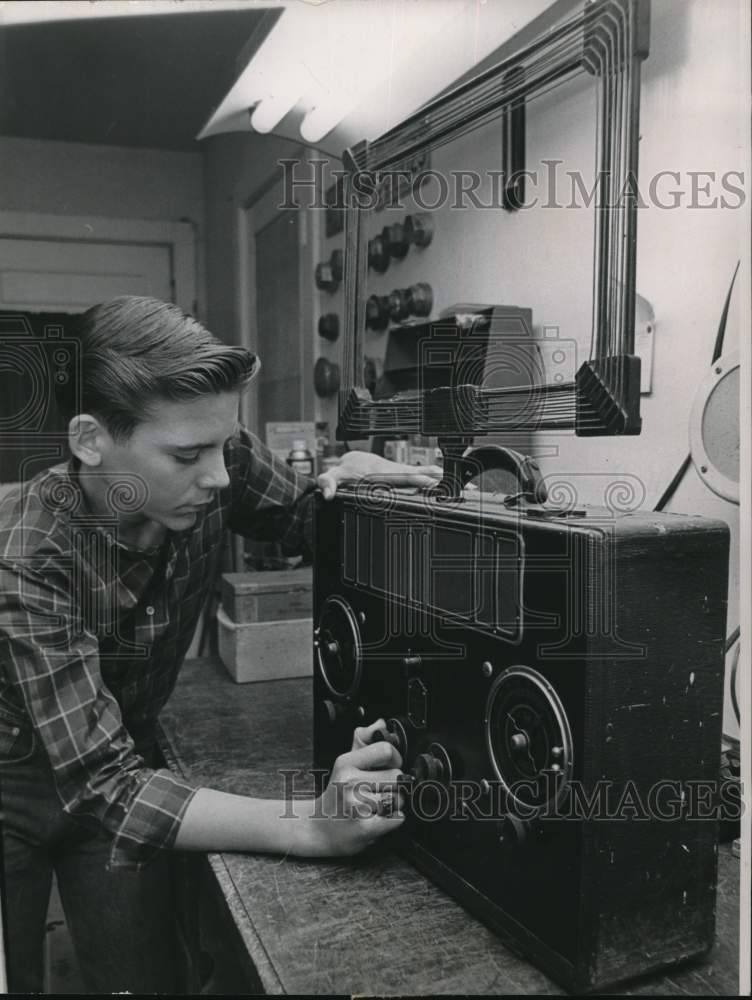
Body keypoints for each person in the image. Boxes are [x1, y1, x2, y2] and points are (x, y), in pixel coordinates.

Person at [0, 295, 442, 994]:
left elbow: (300, 517)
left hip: (127, 764)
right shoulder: (27, 554)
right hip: (15, 788)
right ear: (89, 439)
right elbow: (103, 786)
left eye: (224, 446)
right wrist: (310, 826)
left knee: (145, 981)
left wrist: (356, 493)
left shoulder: (211, 464)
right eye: (187, 454)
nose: (221, 478)